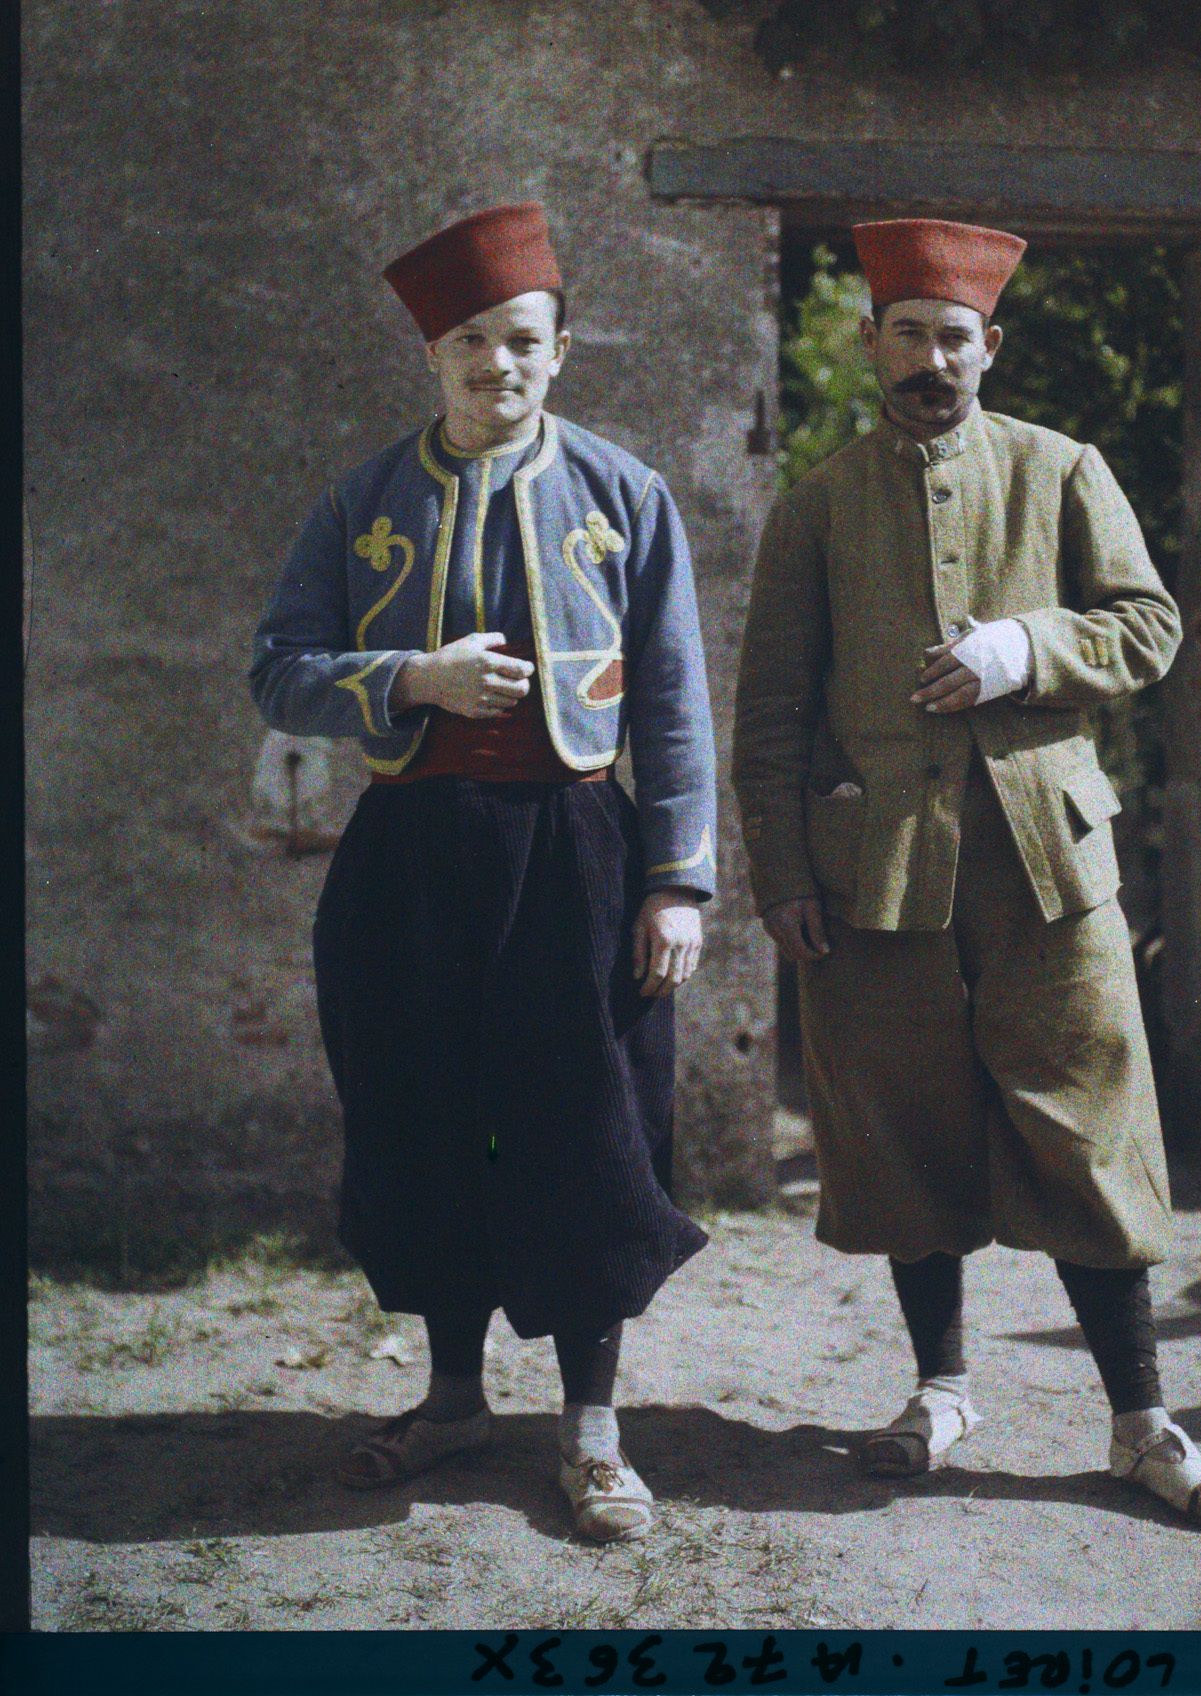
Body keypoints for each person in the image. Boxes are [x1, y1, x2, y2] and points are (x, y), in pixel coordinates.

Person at [732, 217, 1201, 1529]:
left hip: (1047, 867)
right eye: (905, 334)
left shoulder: (1062, 469)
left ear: (990, 348)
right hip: (878, 879)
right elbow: (772, 713)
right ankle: (943, 1389)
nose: (929, 358)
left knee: (1091, 1130)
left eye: (952, 336)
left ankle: (1142, 1423)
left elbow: (1149, 624)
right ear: (870, 345)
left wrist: (1026, 651)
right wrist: (782, 871)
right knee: (903, 1135)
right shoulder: (817, 504)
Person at [250, 202, 716, 1542]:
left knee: (591, 1127)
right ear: (434, 356)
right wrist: (410, 677)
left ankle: (592, 1429)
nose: (496, 368)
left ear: (560, 353)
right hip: (413, 856)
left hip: (578, 848)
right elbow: (278, 670)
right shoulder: (364, 500)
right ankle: (454, 1402)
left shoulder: (626, 495)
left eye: (522, 343)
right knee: (423, 1117)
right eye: (471, 344)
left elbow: (676, 699)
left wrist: (675, 880)